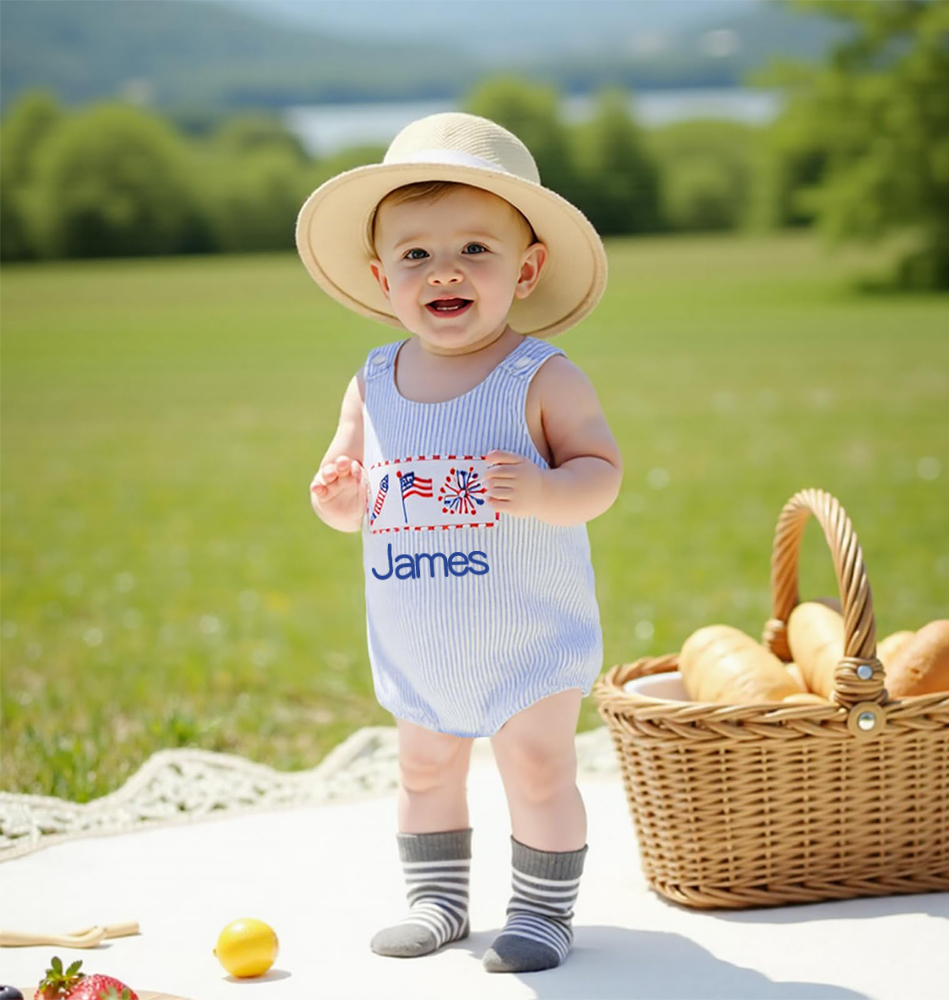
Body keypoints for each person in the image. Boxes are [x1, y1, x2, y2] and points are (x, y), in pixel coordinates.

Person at [296, 111, 622, 974]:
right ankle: (437, 903)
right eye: (416, 256)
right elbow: (351, 498)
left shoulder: (541, 376)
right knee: (423, 770)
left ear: (528, 268)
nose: (444, 270)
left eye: (477, 250)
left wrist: (553, 489)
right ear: (382, 276)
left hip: (526, 632)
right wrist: (338, 498)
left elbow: (603, 472)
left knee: (539, 769)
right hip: (420, 634)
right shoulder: (373, 384)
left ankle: (542, 912)